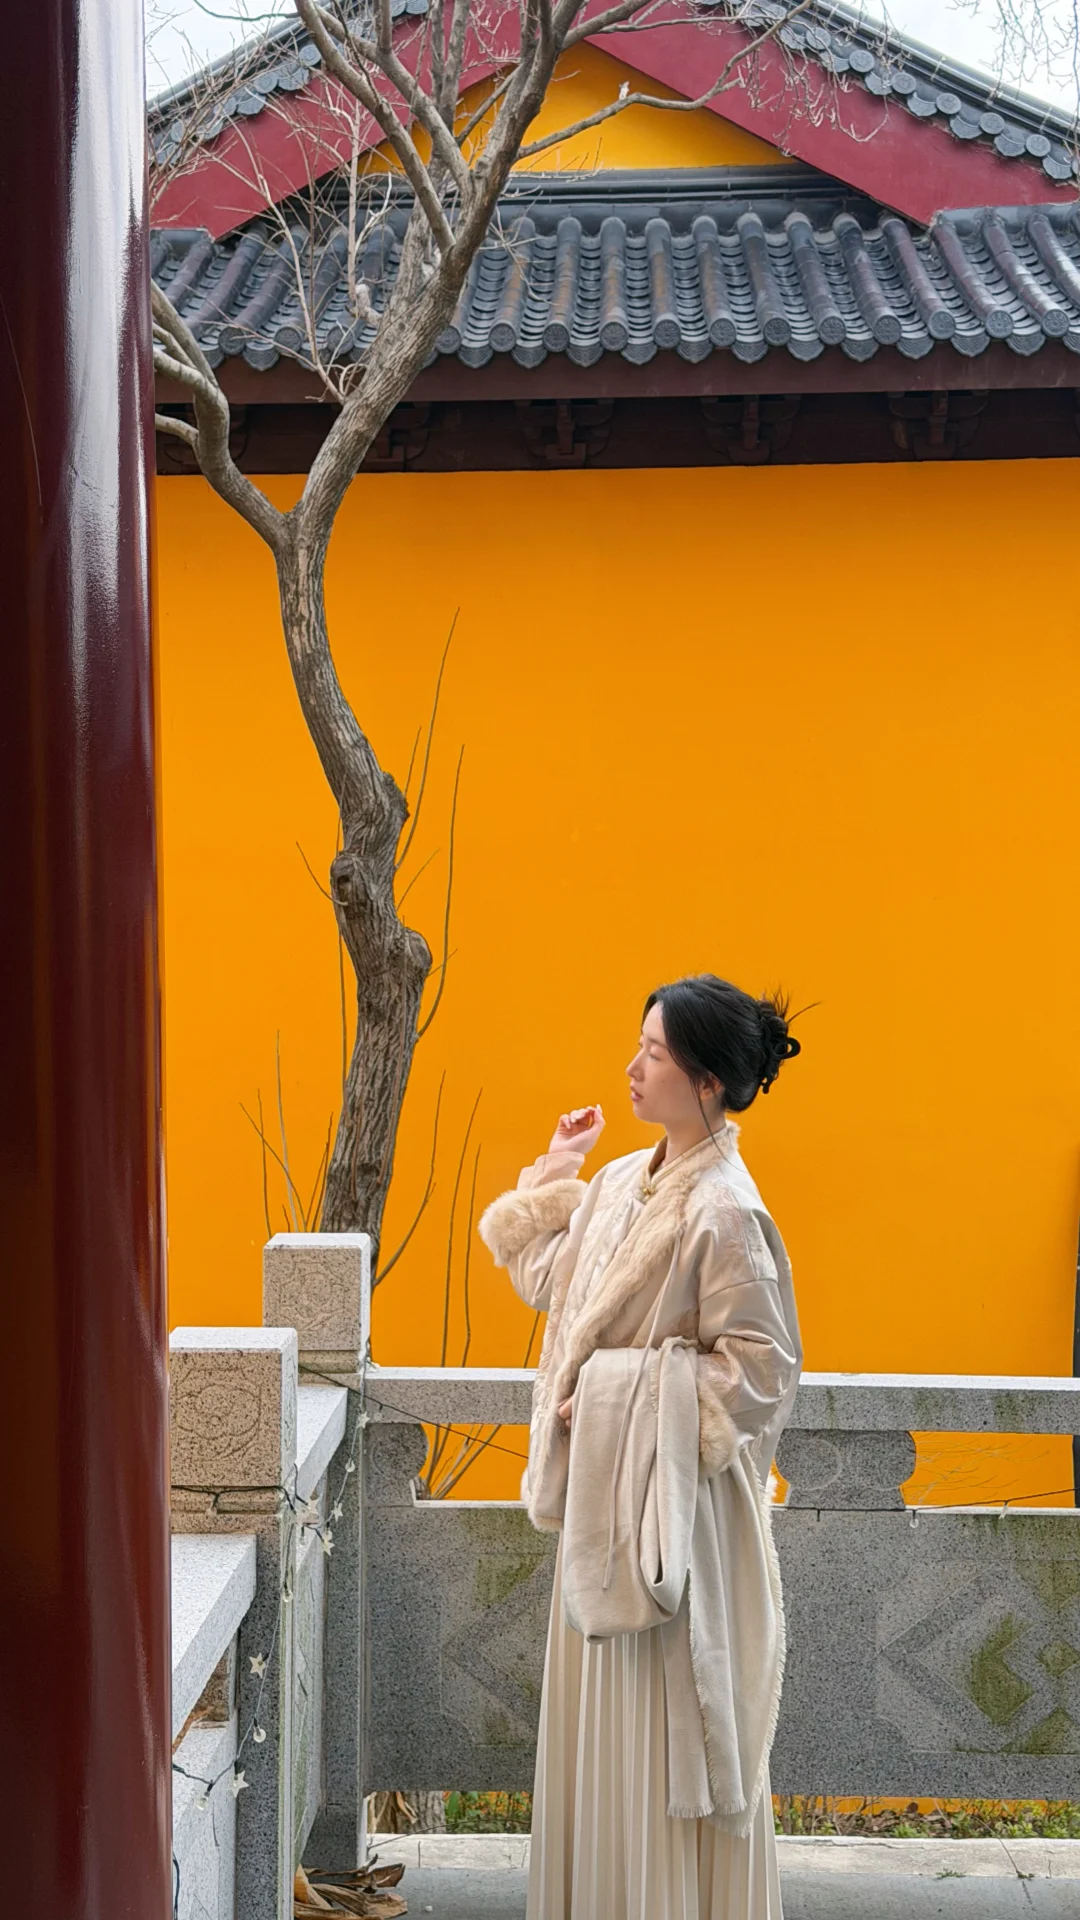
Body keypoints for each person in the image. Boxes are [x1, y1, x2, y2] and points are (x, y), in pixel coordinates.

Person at [478, 974, 804, 1920]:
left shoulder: (726, 1212)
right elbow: (555, 1287)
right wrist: (557, 1169)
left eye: (654, 1054)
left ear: (706, 1081)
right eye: (639, 1045)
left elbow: (762, 1371)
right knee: (605, 1731)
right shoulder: (624, 1180)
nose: (632, 1067)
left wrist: (619, 1404)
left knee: (664, 1738)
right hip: (606, 1505)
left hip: (674, 1517)